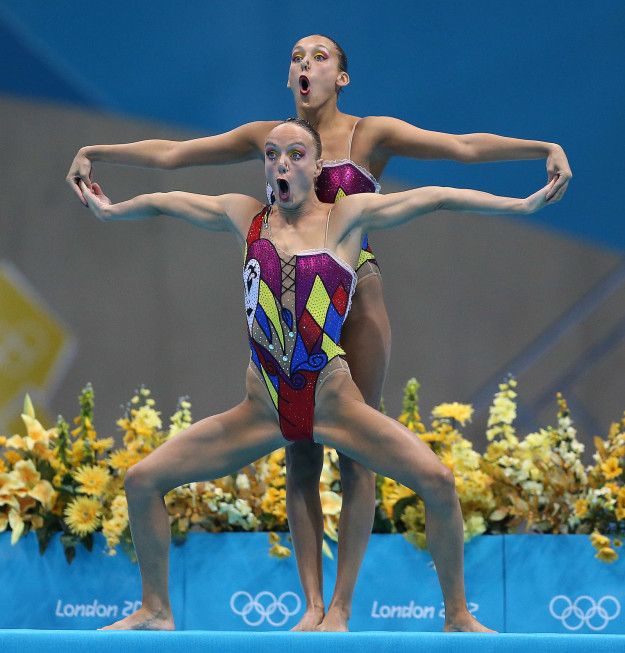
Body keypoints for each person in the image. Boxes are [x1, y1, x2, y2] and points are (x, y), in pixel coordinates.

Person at [67, 34, 572, 631]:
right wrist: (103, 168)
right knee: (271, 465)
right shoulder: (252, 191)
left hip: (349, 310)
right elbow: (173, 173)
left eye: (320, 57)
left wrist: (531, 174)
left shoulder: (360, 169)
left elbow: (447, 175)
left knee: (382, 465)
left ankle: (372, 609)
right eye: (296, 58)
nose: (305, 65)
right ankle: (268, 607)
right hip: (271, 392)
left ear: (342, 78)